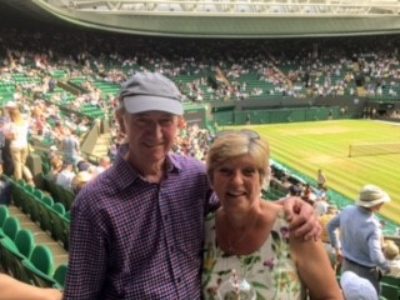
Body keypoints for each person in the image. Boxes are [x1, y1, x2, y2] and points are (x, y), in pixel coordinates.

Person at [64, 72, 321, 299]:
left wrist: (289, 206)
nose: (155, 134)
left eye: (165, 121)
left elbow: (241, 209)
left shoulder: (195, 176)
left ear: (179, 124)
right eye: (142, 120)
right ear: (121, 122)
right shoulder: (94, 204)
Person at [202, 130, 342, 299]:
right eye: (226, 171)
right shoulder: (205, 229)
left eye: (248, 172)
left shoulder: (296, 227)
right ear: (211, 178)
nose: (237, 181)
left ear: (261, 179)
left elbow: (330, 296)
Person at [328, 184, 391, 294]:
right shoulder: (373, 226)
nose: (382, 204)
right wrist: (387, 267)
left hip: (346, 266)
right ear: (373, 204)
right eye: (380, 201)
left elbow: (331, 226)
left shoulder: (347, 210)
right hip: (367, 272)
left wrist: (337, 248)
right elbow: (376, 257)